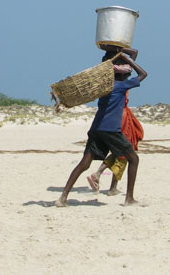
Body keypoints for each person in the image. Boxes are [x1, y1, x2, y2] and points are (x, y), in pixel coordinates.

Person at [56, 50, 147, 207]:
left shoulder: (103, 87)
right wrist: (127, 59)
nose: (127, 76)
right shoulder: (122, 86)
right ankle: (129, 199)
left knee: (84, 163)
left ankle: (63, 197)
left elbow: (126, 70)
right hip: (111, 129)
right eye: (126, 74)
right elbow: (143, 74)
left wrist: (122, 56)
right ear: (122, 76)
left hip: (96, 128)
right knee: (134, 159)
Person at [86, 66, 144, 196]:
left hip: (114, 118)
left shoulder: (106, 85)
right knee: (126, 153)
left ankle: (103, 177)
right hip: (120, 118)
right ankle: (111, 184)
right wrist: (127, 56)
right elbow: (141, 73)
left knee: (121, 151)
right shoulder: (122, 85)